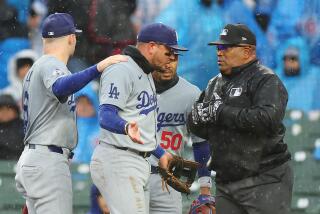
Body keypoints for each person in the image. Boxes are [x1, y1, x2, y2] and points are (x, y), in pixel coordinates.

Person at [14, 13, 127, 214]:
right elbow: (60, 86)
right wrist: (99, 67)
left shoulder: (37, 68)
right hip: (47, 159)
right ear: (71, 38)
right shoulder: (50, 63)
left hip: (36, 158)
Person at [187, 23, 293, 214]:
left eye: (226, 48)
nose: (220, 53)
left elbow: (268, 119)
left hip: (265, 178)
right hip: (227, 182)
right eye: (218, 48)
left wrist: (221, 112)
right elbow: (199, 127)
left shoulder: (265, 79)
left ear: (247, 51)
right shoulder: (214, 83)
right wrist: (196, 118)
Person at [90, 23, 181, 214]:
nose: (173, 57)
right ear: (151, 47)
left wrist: (160, 153)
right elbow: (106, 115)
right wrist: (125, 127)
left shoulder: (145, 72)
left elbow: (140, 125)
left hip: (136, 160)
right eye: (169, 51)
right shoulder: (121, 69)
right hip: (119, 159)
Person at [147, 52, 214, 213]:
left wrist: (205, 189)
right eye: (166, 57)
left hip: (169, 180)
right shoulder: (135, 87)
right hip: (134, 173)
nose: (170, 63)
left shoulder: (191, 93)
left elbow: (201, 142)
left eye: (174, 57)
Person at [0, 94, 24, 160]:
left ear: (15, 111)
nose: (5, 112)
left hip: (21, 165)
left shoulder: (25, 127)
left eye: (8, 109)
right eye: (1, 109)